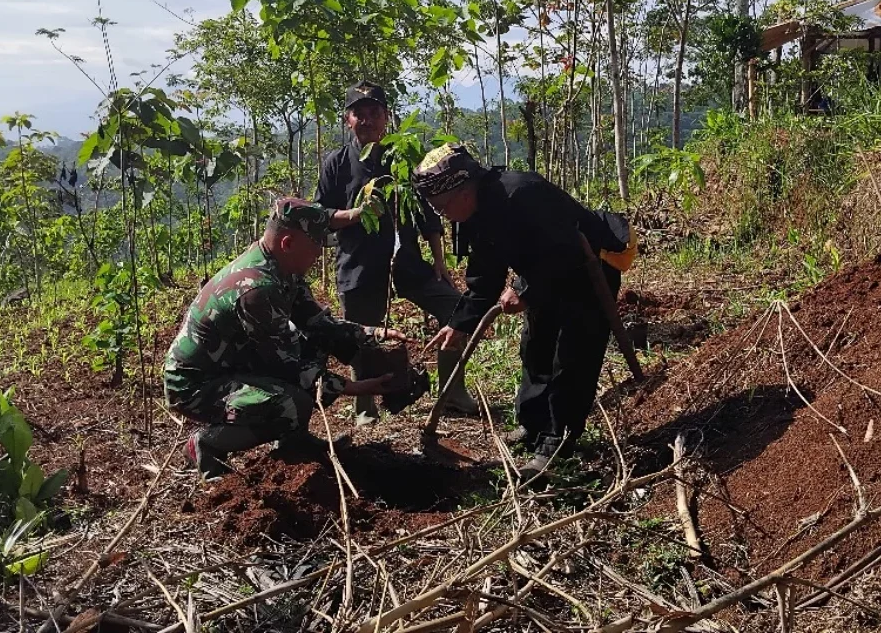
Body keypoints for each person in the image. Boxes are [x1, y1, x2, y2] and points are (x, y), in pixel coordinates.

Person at [414, 143, 635, 480]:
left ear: (463, 190)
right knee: (536, 348)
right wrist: (459, 324)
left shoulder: (522, 194)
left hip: (588, 271)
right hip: (543, 276)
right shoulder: (475, 214)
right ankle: (532, 426)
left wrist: (524, 292)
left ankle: (556, 443)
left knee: (572, 358)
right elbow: (484, 276)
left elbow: (563, 252)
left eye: (442, 207)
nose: (442, 214)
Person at [164, 198, 406, 478]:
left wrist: (372, 334)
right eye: (315, 247)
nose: (318, 256)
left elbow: (318, 324)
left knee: (315, 346)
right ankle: (206, 444)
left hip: (237, 362)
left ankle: (294, 441)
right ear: (288, 243)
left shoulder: (282, 267)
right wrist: (354, 388)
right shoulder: (257, 290)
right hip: (196, 385)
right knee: (292, 401)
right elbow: (288, 367)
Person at [315, 80, 477, 425]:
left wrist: (439, 259)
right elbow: (321, 217)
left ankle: (453, 393)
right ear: (348, 120)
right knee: (361, 334)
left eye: (375, 113)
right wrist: (355, 215)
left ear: (387, 117)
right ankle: (365, 407)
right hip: (358, 266)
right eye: (360, 114)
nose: (367, 120)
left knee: (455, 309)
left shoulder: (404, 158)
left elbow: (427, 211)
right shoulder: (337, 164)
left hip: (407, 263)